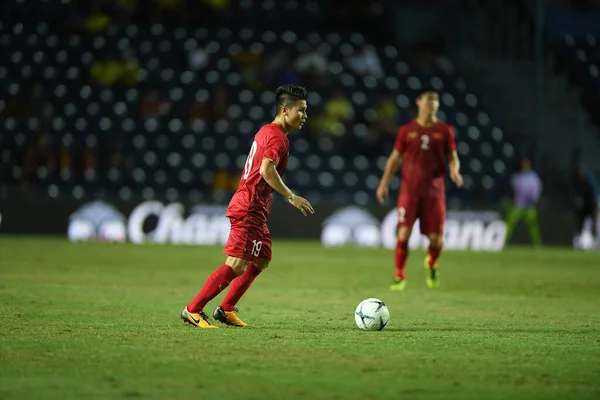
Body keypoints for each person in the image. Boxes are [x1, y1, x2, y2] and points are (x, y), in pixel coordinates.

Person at [181, 84, 314, 328]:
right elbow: (266, 169)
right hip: (250, 206)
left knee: (262, 258)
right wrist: (291, 196)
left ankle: (226, 308)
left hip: (255, 206)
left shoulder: (267, 131)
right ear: (285, 110)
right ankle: (193, 309)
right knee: (236, 265)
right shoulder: (277, 137)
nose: (305, 116)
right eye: (301, 111)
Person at [376, 88, 463, 291]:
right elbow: (395, 158)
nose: (432, 104)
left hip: (435, 191)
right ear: (419, 102)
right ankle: (399, 275)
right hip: (410, 191)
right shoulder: (407, 131)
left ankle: (432, 263)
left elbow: (452, 156)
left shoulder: (444, 130)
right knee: (403, 234)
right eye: (428, 100)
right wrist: (383, 183)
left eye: (435, 101)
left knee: (435, 239)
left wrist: (454, 171)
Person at [504, 157, 543, 246]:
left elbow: (537, 189)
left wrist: (536, 198)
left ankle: (537, 243)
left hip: (529, 206)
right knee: (509, 223)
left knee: (533, 226)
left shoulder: (533, 177)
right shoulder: (517, 177)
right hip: (518, 205)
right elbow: (512, 190)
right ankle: (504, 241)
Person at [572, 162, 599, 247]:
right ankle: (578, 242)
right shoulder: (576, 181)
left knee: (594, 223)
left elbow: (595, 192)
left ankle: (596, 241)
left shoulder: (588, 179)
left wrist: (595, 206)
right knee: (580, 223)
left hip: (591, 205)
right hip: (583, 206)